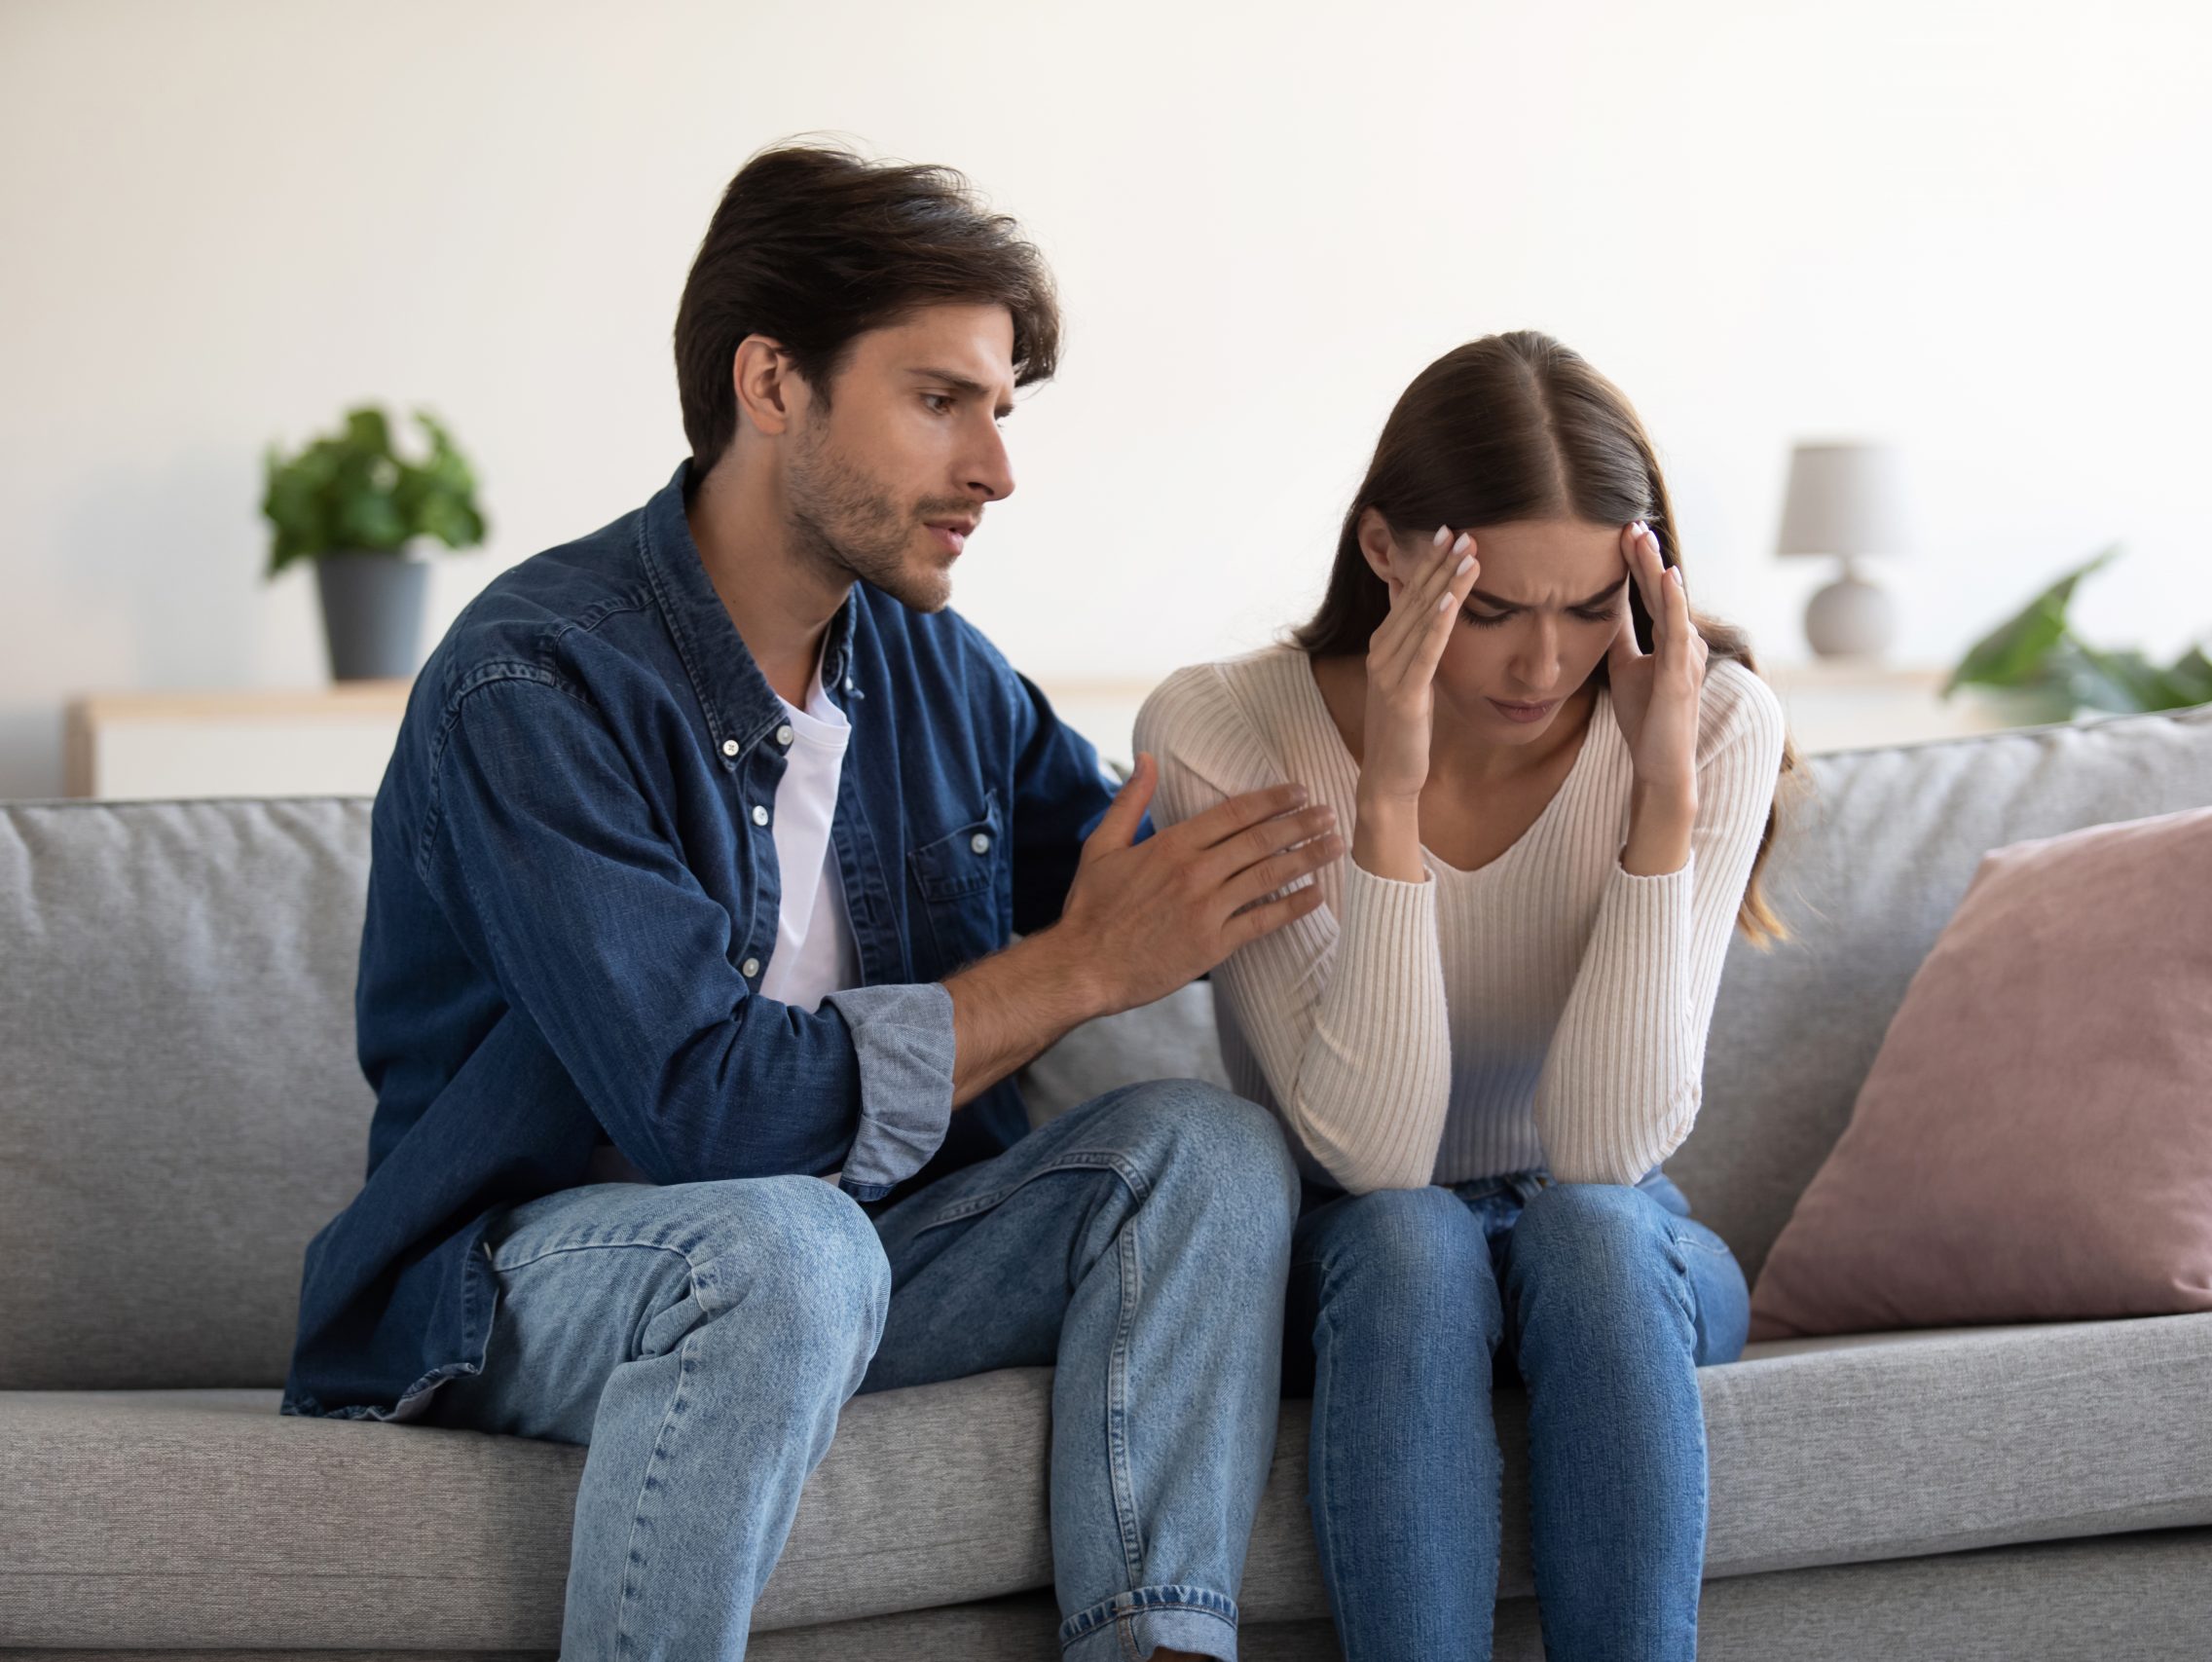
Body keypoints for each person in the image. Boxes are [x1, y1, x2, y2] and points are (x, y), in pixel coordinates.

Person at [280, 140, 1341, 1662]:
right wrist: (1079, 968)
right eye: (939, 401)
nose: (996, 469)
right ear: (771, 382)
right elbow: (709, 1115)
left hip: (861, 1255)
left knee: (1201, 1154)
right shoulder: (534, 683)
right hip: (541, 1281)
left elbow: (1174, 848)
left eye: (1003, 410)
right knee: (785, 1242)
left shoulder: (936, 672)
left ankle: (1158, 1648)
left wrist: (1439, 712)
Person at [1131, 329, 1803, 1661]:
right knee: (1415, 1246)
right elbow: (1377, 1160)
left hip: (1617, 1244)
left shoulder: (1713, 722)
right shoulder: (1223, 730)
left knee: (1596, 1237)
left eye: (1586, 609)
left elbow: (1610, 1154)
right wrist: (1386, 791)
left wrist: (1659, 793)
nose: (1543, 668)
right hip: (1356, 1249)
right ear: (1385, 551)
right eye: (1491, 611)